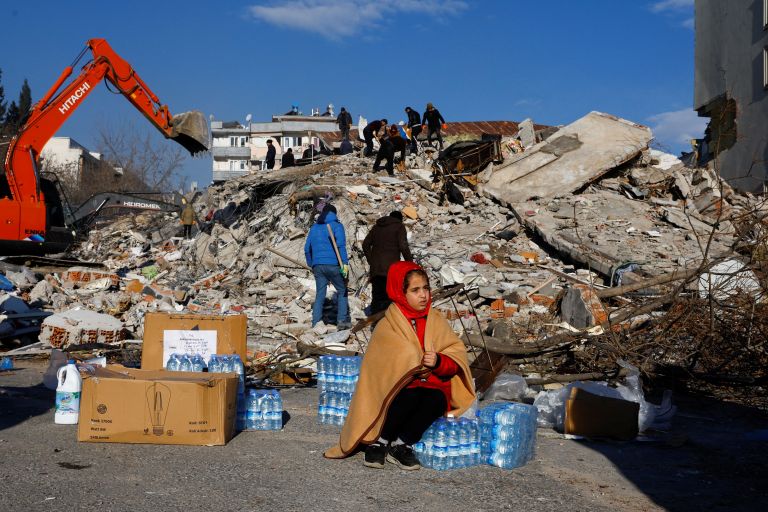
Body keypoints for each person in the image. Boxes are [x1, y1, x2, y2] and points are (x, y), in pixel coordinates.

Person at [324, 261, 476, 470]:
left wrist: (439, 361)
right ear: (400, 292)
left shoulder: (436, 319)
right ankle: (380, 440)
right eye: (415, 290)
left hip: (431, 385)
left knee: (437, 399)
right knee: (408, 395)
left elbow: (455, 356)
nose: (423, 295)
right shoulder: (388, 325)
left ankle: (402, 443)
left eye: (426, 288)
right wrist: (413, 362)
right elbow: (380, 371)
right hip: (399, 389)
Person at [304, 204, 351, 329]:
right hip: (334, 265)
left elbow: (307, 249)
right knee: (342, 291)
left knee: (320, 293)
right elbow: (340, 246)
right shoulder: (337, 225)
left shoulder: (314, 228)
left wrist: (311, 264)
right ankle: (341, 322)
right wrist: (345, 264)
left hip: (318, 265)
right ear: (334, 214)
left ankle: (315, 323)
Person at [362, 211, 413, 314]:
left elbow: (365, 244)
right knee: (391, 295)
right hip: (391, 268)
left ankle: (375, 323)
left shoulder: (377, 227)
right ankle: (388, 321)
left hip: (376, 269)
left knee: (377, 295)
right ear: (400, 219)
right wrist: (410, 263)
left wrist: (371, 260)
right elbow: (403, 246)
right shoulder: (399, 227)